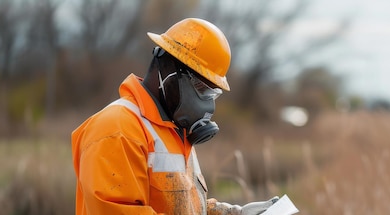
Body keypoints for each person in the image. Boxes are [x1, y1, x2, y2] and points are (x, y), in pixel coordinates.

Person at [72, 18, 278, 215]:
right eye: (200, 88)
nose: (208, 104)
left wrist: (234, 213)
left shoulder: (172, 130)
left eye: (212, 93)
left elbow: (183, 207)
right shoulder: (117, 130)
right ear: (168, 70)